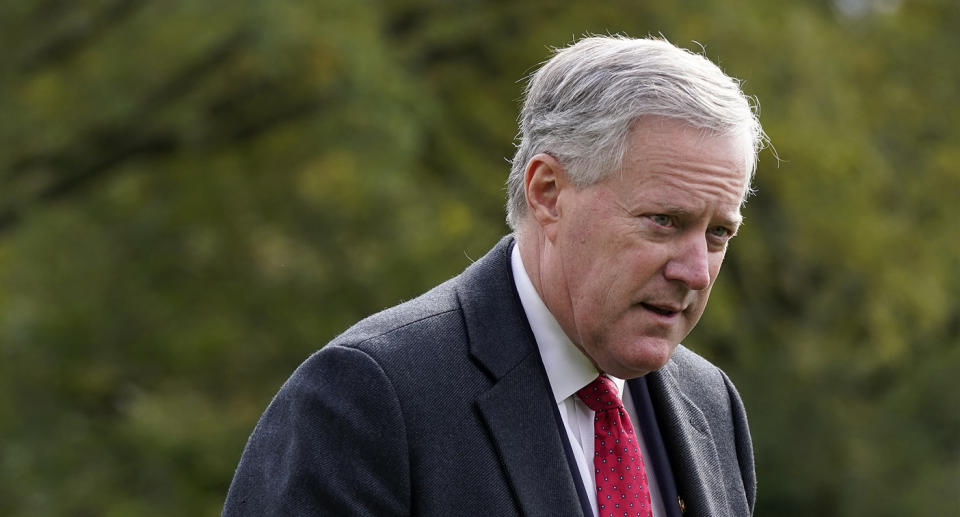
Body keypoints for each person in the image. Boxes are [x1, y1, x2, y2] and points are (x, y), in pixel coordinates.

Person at [223, 35, 766, 517]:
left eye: (718, 233)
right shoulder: (370, 399)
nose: (695, 270)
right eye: (664, 221)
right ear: (548, 192)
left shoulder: (711, 403)